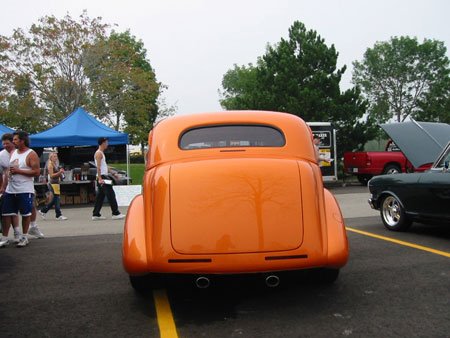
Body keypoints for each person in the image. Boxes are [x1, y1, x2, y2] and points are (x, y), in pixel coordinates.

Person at [0, 131, 40, 247]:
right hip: (11, 189)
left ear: (22, 141)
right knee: (6, 213)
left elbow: (36, 172)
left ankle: (24, 236)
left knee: (25, 214)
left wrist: (19, 171)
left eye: (16, 140)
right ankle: (5, 238)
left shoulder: (31, 154)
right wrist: (4, 186)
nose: (13, 142)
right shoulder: (13, 153)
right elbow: (8, 171)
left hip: (24, 189)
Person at [92, 137, 125, 221]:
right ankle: (115, 213)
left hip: (103, 176)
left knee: (100, 196)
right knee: (111, 194)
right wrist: (99, 178)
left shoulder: (101, 153)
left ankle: (96, 214)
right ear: (103, 143)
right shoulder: (99, 153)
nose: (107, 144)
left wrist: (113, 173)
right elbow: (98, 167)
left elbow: (105, 166)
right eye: (106, 142)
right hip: (102, 177)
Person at [38, 152, 68, 221]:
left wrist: (61, 173)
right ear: (50, 158)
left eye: (56, 156)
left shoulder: (56, 164)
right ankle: (58, 215)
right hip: (52, 184)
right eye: (54, 156)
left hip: (56, 183)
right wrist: (59, 172)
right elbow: (51, 175)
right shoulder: (50, 165)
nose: (55, 158)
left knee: (55, 199)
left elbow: (57, 173)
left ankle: (43, 211)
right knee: (57, 199)